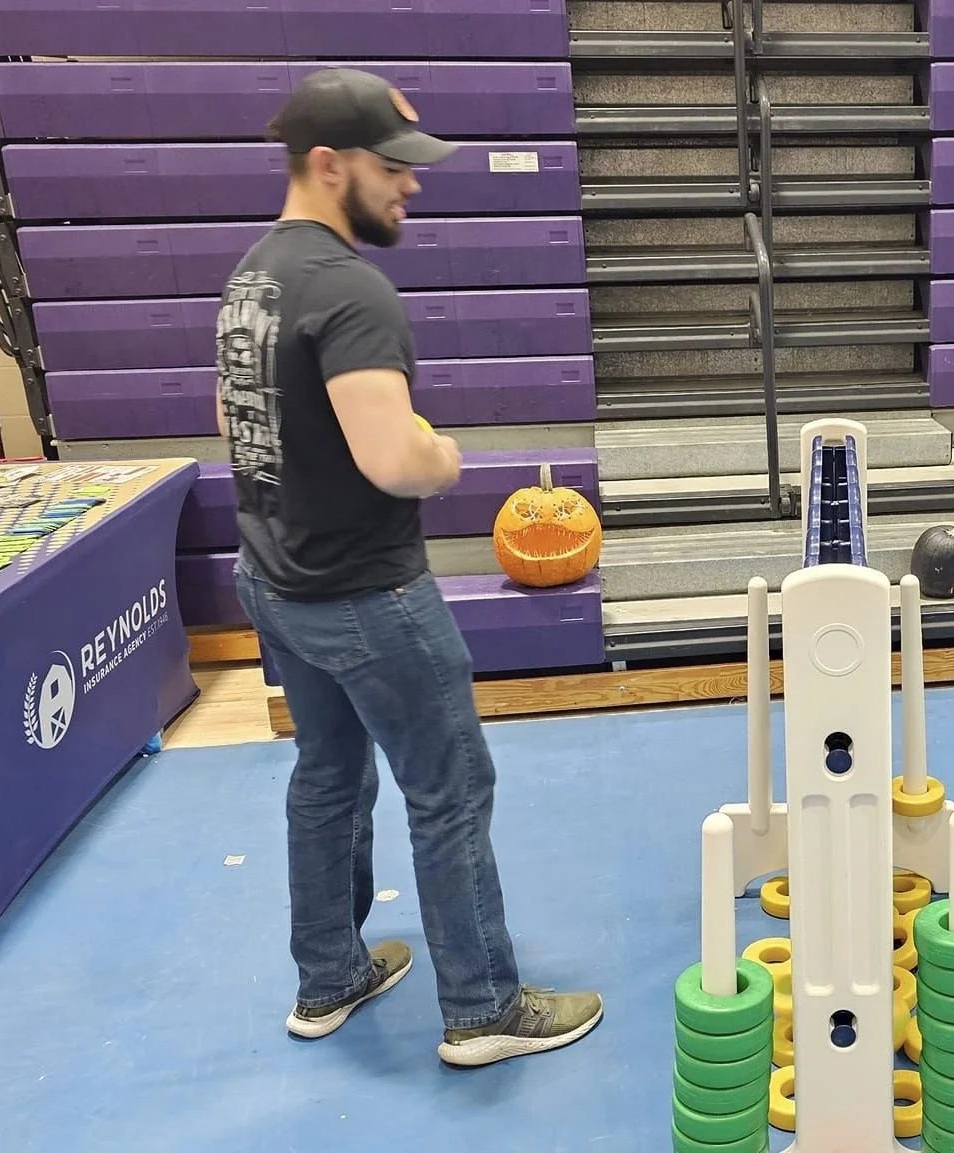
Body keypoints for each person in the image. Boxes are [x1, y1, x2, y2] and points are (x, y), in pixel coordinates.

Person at [215, 67, 602, 1065]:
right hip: (366, 593)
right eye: (392, 168)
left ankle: (328, 976)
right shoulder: (350, 292)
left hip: (275, 578)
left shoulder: (250, 278)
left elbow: (246, 429)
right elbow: (394, 459)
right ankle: (482, 1006)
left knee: (327, 775)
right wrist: (442, 451)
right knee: (450, 787)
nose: (410, 186)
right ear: (328, 164)